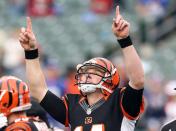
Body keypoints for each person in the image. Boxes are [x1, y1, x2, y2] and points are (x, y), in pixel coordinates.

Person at [19, 5, 145, 131]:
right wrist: (31, 52)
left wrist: (124, 40)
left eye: (95, 71)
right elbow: (38, 91)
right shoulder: (74, 105)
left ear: (110, 78)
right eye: (85, 72)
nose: (87, 75)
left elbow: (137, 80)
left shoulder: (119, 101)